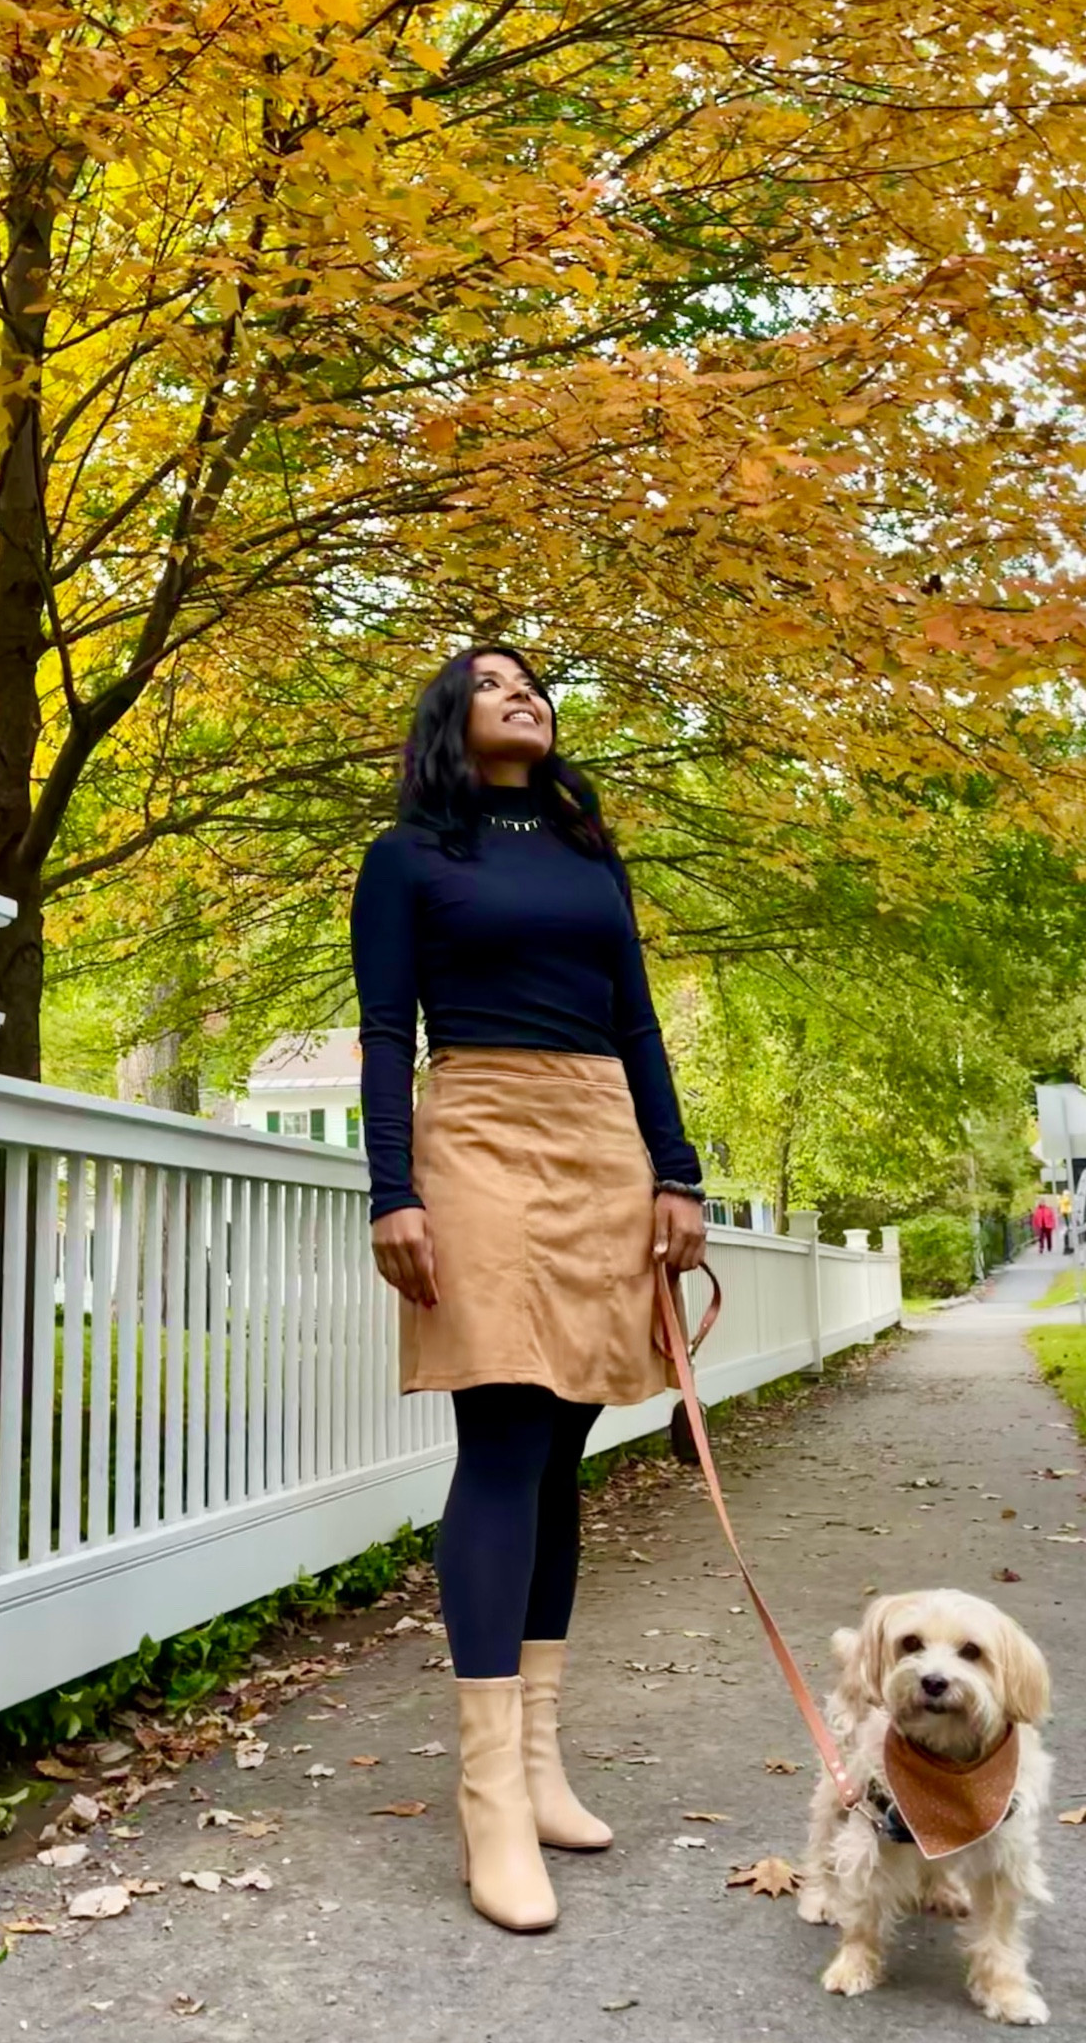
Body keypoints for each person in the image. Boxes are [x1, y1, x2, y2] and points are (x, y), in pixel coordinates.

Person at [351, 644, 706, 1934]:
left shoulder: (585, 856)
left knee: (561, 1453)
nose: (528, 692)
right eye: (496, 681)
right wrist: (394, 1189)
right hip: (482, 1131)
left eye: (540, 681)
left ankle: (544, 1764)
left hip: (601, 1137)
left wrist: (678, 1172)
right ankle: (490, 1802)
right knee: (502, 1434)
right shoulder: (408, 857)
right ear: (453, 718)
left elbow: (641, 1025)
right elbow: (388, 1028)